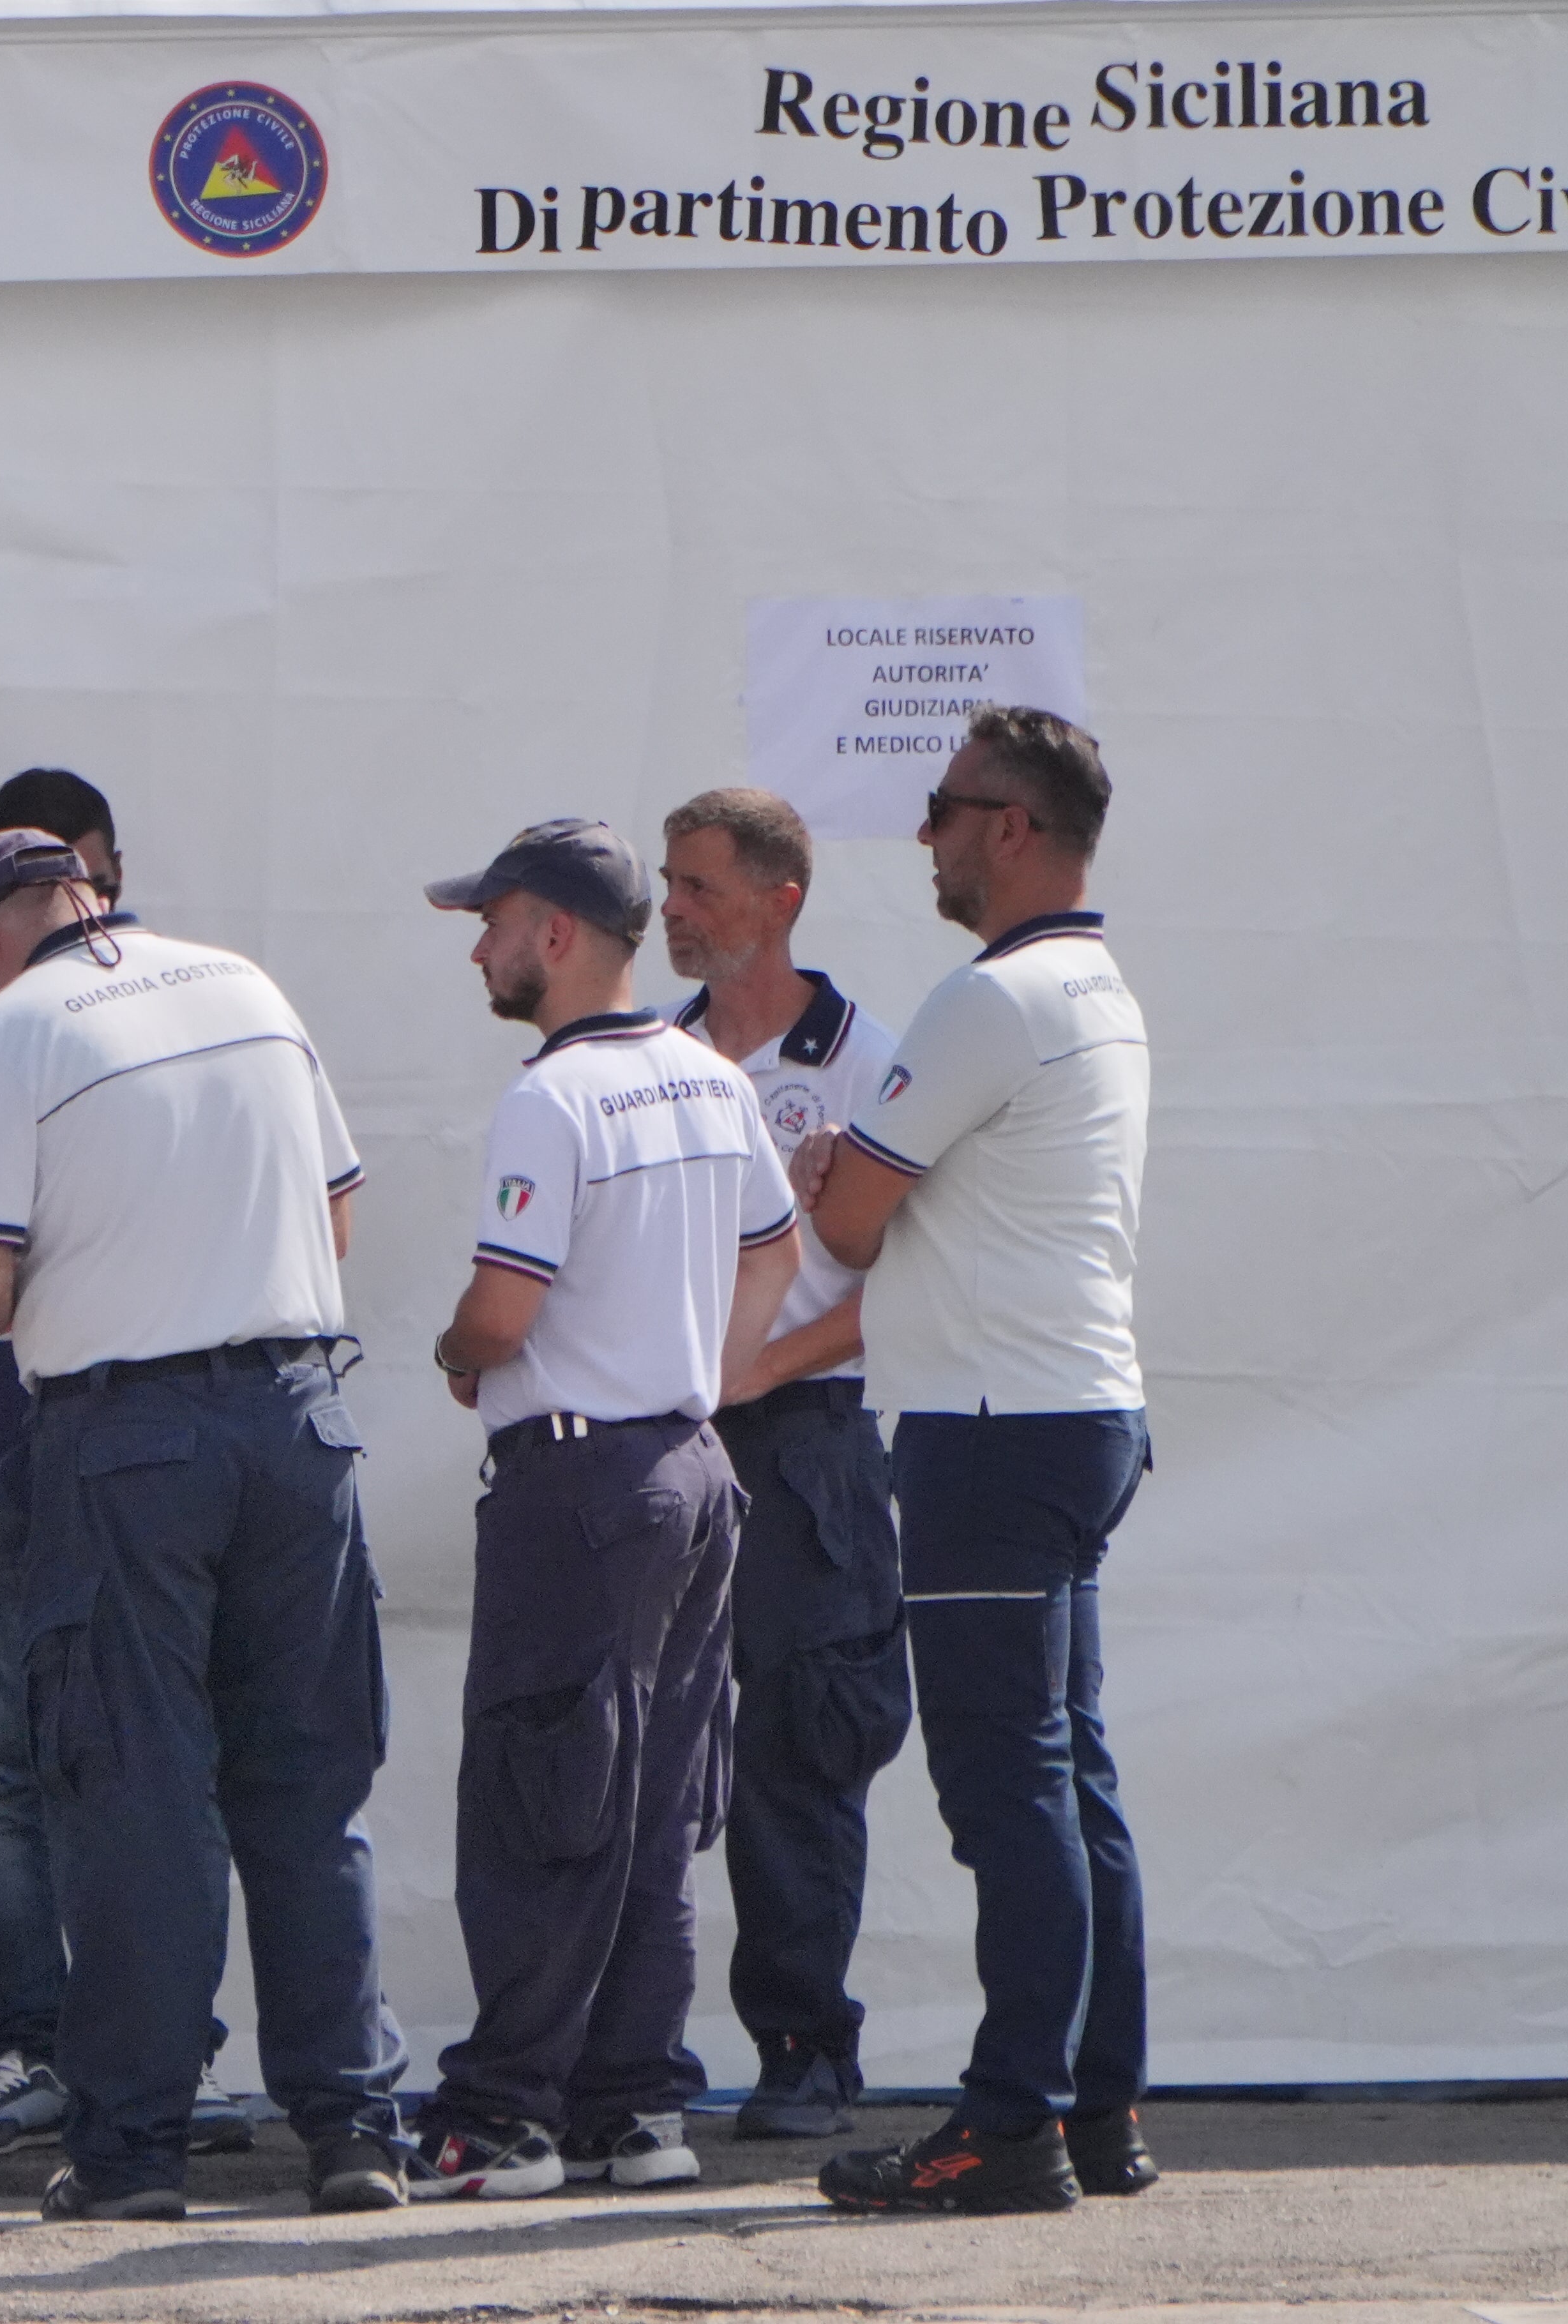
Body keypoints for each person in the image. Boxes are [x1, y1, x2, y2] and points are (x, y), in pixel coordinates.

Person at [0, 831, 409, 2222]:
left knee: (132, 1796)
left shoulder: (7, 1032)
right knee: (310, 1796)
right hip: (301, 1419)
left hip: (126, 1440)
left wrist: (88, 1263)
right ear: (95, 897)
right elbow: (341, 1208)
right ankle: (352, 2128)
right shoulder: (248, 984)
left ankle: (133, 2150)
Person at [0, 771, 257, 2162]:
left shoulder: (163, 1004)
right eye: (17, 900)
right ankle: (33, 2044)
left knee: (154, 1753)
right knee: (5, 1758)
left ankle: (169, 2050)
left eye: (79, 884)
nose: (61, 919)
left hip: (132, 1434)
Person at [794, 706, 1158, 2215]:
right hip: (1069, 1409)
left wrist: (836, 1174)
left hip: (994, 1430)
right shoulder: (1097, 986)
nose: (927, 835)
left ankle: (1008, 2121)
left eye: (944, 808)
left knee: (1009, 1787)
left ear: (1012, 825)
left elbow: (848, 1219)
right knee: (1067, 1776)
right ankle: (1092, 2106)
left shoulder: (988, 999)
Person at [412, 820, 801, 2202]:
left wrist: (458, 1351)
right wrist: (704, 1372)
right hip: (693, 1467)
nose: (478, 942)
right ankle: (633, 2105)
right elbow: (778, 1246)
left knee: (542, 1792)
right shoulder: (706, 1073)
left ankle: (505, 2115)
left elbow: (503, 1308)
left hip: (580, 1479)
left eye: (496, 916)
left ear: (558, 932)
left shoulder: (553, 1097)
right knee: (651, 1802)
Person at [658, 788, 914, 2143]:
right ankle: (627, 2049)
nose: (674, 909)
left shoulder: (871, 1054)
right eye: (668, 882)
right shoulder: (658, 1054)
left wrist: (770, 1363)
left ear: (780, 898)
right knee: (642, 1738)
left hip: (806, 1439)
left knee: (797, 1746)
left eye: (699, 885)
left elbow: (913, 1275)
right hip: (670, 1436)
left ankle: (807, 2044)